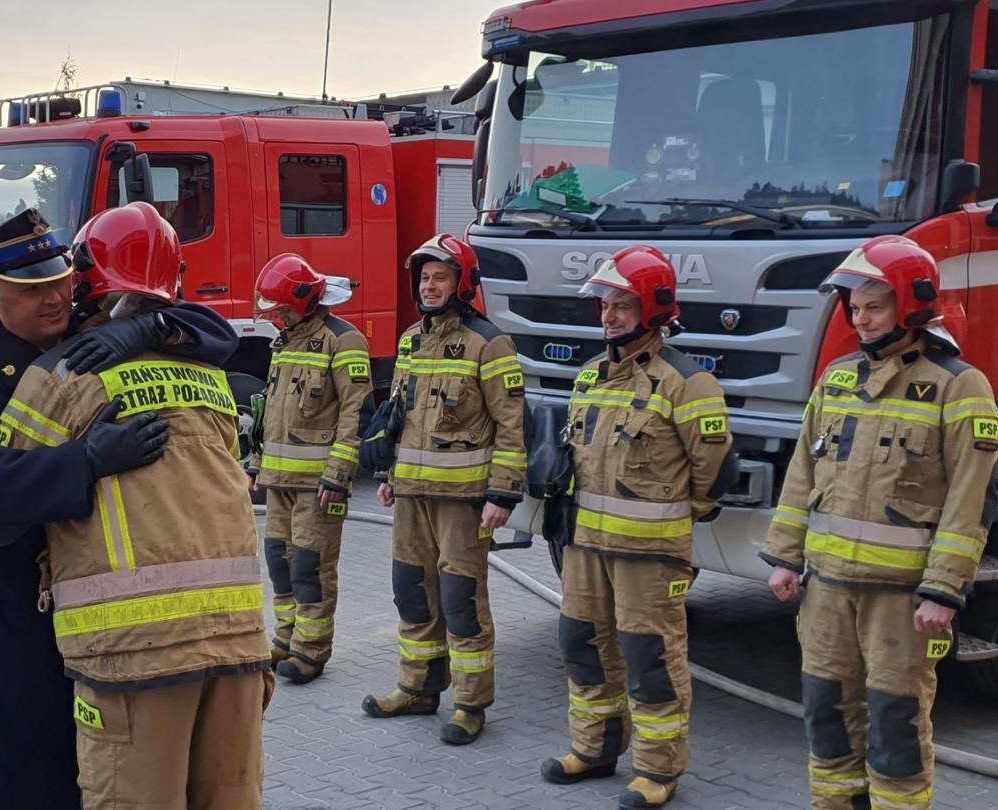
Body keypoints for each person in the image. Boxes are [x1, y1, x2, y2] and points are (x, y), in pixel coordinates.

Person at [0, 207, 238, 810]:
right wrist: (85, 463)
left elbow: (216, 332)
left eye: (60, 280)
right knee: (30, 771)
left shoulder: (88, 332)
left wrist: (144, 330)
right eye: (32, 289)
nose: (54, 299)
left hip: (110, 607)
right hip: (26, 602)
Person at [761, 235, 998, 810]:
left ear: (911, 304)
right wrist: (785, 556)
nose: (860, 320)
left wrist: (943, 591)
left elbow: (970, 501)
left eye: (874, 306)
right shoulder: (837, 379)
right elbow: (802, 475)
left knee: (895, 721)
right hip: (827, 590)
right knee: (825, 709)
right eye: (854, 307)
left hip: (902, 597)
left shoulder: (958, 386)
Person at [540, 246, 733, 808]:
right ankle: (595, 749)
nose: (610, 315)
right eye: (605, 304)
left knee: (649, 656)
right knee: (582, 644)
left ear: (654, 307)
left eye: (623, 304)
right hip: (584, 547)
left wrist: (671, 519)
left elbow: (712, 470)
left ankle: (658, 770)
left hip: (649, 552)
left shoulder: (688, 382)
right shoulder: (590, 376)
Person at [357, 233, 528, 746]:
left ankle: (471, 704)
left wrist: (502, 495)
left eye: (441, 277)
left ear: (462, 284)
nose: (430, 286)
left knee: (461, 601)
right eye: (425, 277)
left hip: (463, 502)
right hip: (412, 497)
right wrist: (389, 477)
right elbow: (403, 419)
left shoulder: (489, 343)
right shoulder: (411, 340)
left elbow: (512, 425)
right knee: (412, 592)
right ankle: (418, 689)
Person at [251, 253, 370, 685]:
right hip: (279, 480)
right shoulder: (285, 342)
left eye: (282, 310)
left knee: (309, 566)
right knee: (279, 562)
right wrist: (258, 463)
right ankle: (286, 638)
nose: (277, 318)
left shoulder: (343, 340)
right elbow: (272, 410)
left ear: (304, 301)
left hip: (317, 484)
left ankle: (311, 649)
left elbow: (356, 413)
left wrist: (339, 475)